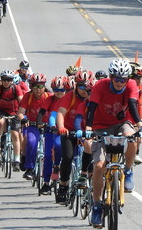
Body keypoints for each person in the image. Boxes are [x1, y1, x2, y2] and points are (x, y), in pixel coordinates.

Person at [86, 59, 142, 228]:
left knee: (132, 136)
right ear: (111, 77)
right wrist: (89, 127)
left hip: (122, 123)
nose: (120, 83)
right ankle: (97, 205)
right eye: (117, 79)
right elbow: (91, 107)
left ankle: (127, 171)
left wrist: (140, 125)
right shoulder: (100, 86)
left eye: (124, 79)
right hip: (99, 126)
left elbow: (133, 104)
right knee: (99, 165)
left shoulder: (132, 85)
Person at [55, 70, 96, 203]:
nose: (84, 90)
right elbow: (60, 113)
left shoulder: (94, 98)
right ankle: (63, 185)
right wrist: (61, 127)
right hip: (70, 131)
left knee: (93, 156)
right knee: (67, 157)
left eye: (87, 87)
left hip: (89, 131)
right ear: (76, 86)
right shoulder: (69, 96)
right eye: (81, 86)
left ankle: (91, 182)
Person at [36, 75, 70, 196]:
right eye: (56, 90)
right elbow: (45, 114)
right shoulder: (50, 99)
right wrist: (40, 123)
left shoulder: (70, 99)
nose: (59, 93)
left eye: (61, 90)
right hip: (53, 131)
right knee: (48, 156)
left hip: (69, 131)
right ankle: (46, 183)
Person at [0, 70, 27, 171]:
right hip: (1, 111)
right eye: (4, 80)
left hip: (14, 112)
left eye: (9, 80)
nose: (6, 82)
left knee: (15, 135)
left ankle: (16, 160)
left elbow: (21, 101)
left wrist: (24, 114)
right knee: (0, 122)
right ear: (1, 80)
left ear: (12, 81)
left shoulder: (16, 88)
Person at [17, 73, 50, 181]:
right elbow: (20, 112)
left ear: (44, 87)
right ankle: (29, 168)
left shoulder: (49, 97)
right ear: (31, 87)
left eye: (41, 86)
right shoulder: (28, 96)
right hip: (32, 124)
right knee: (31, 141)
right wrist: (23, 119)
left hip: (47, 126)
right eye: (35, 86)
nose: (38, 89)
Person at [129, 62, 142, 165]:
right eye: (138, 77)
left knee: (138, 136)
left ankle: (135, 153)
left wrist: (140, 123)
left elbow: (141, 104)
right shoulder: (120, 85)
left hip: (137, 116)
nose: (140, 81)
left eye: (141, 77)